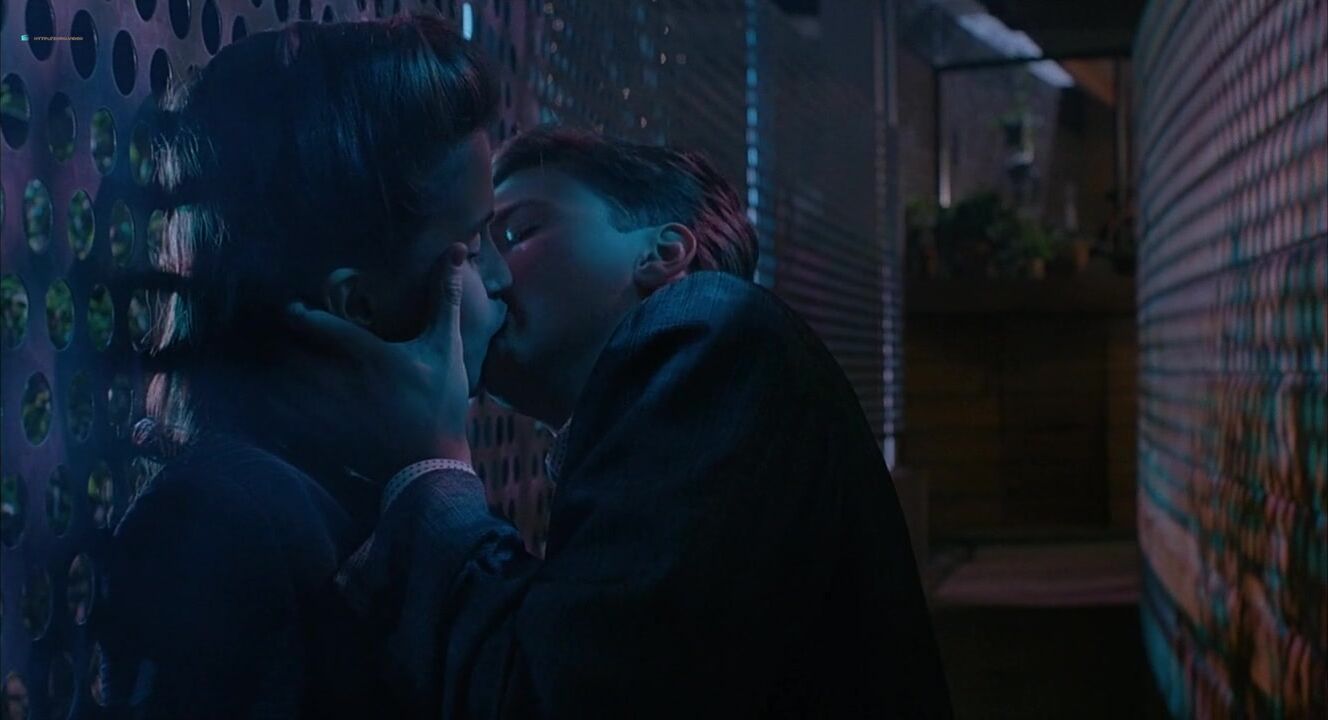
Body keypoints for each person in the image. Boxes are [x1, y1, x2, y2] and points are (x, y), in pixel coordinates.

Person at [274, 126, 953, 718]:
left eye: (518, 232)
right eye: (476, 248)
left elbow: (556, 699)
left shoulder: (710, 326)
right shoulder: (675, 421)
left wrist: (434, 460)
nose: (489, 279)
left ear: (664, 253)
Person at [100, 15, 510, 718]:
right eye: (473, 249)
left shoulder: (353, 489)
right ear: (357, 305)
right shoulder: (226, 526)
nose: (502, 278)